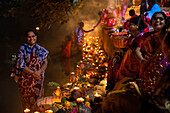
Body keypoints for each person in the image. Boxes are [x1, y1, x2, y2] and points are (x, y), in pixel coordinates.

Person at [102, 16, 170, 113]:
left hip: (152, 99)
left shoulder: (163, 56)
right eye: (155, 19)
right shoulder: (148, 37)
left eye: (161, 19)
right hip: (142, 78)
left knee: (113, 102)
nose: (157, 21)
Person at [10, 29, 49, 111]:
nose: (31, 39)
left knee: (38, 102)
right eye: (29, 37)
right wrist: (33, 73)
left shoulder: (41, 49)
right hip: (26, 80)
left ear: (36, 37)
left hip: (38, 79)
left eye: (33, 36)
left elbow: (45, 62)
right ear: (25, 38)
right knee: (27, 103)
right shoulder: (22, 49)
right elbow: (21, 64)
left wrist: (39, 71)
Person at [117, 16, 147, 80]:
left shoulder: (141, 37)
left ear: (137, 26)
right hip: (128, 63)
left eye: (130, 25)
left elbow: (137, 50)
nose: (128, 27)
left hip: (134, 66)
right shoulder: (133, 37)